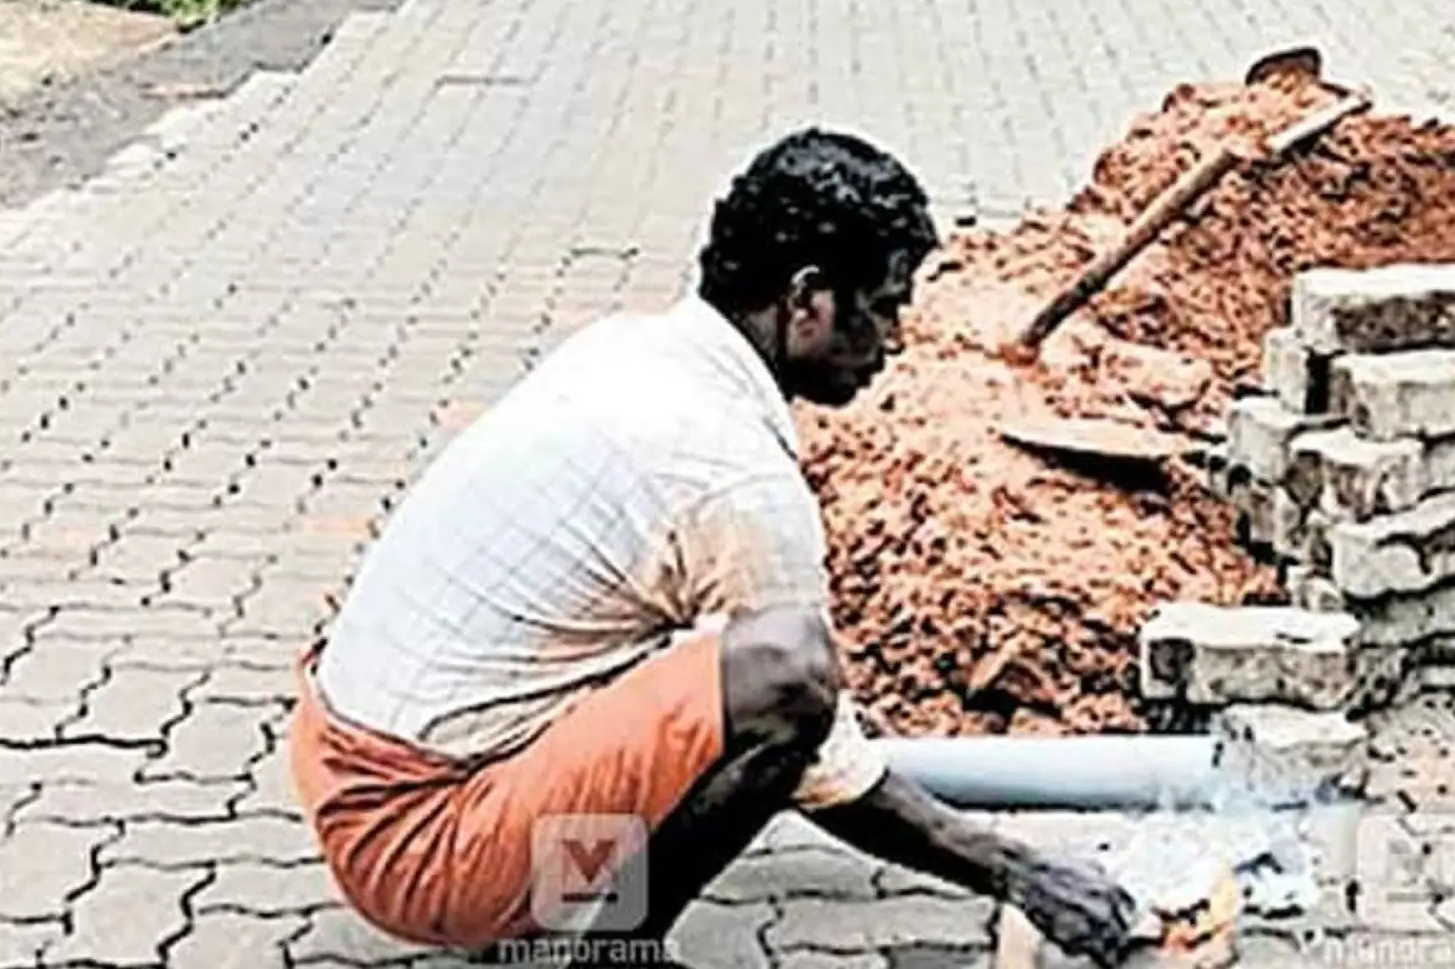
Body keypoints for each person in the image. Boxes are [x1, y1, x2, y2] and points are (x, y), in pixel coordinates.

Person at [288, 129, 1143, 965]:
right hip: (422, 855)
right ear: (805, 301)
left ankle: (555, 891)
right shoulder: (730, 474)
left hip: (346, 773)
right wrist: (1022, 873)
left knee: (737, 676)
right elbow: (820, 757)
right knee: (786, 674)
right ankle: (616, 950)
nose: (895, 340)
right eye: (883, 307)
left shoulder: (634, 348)